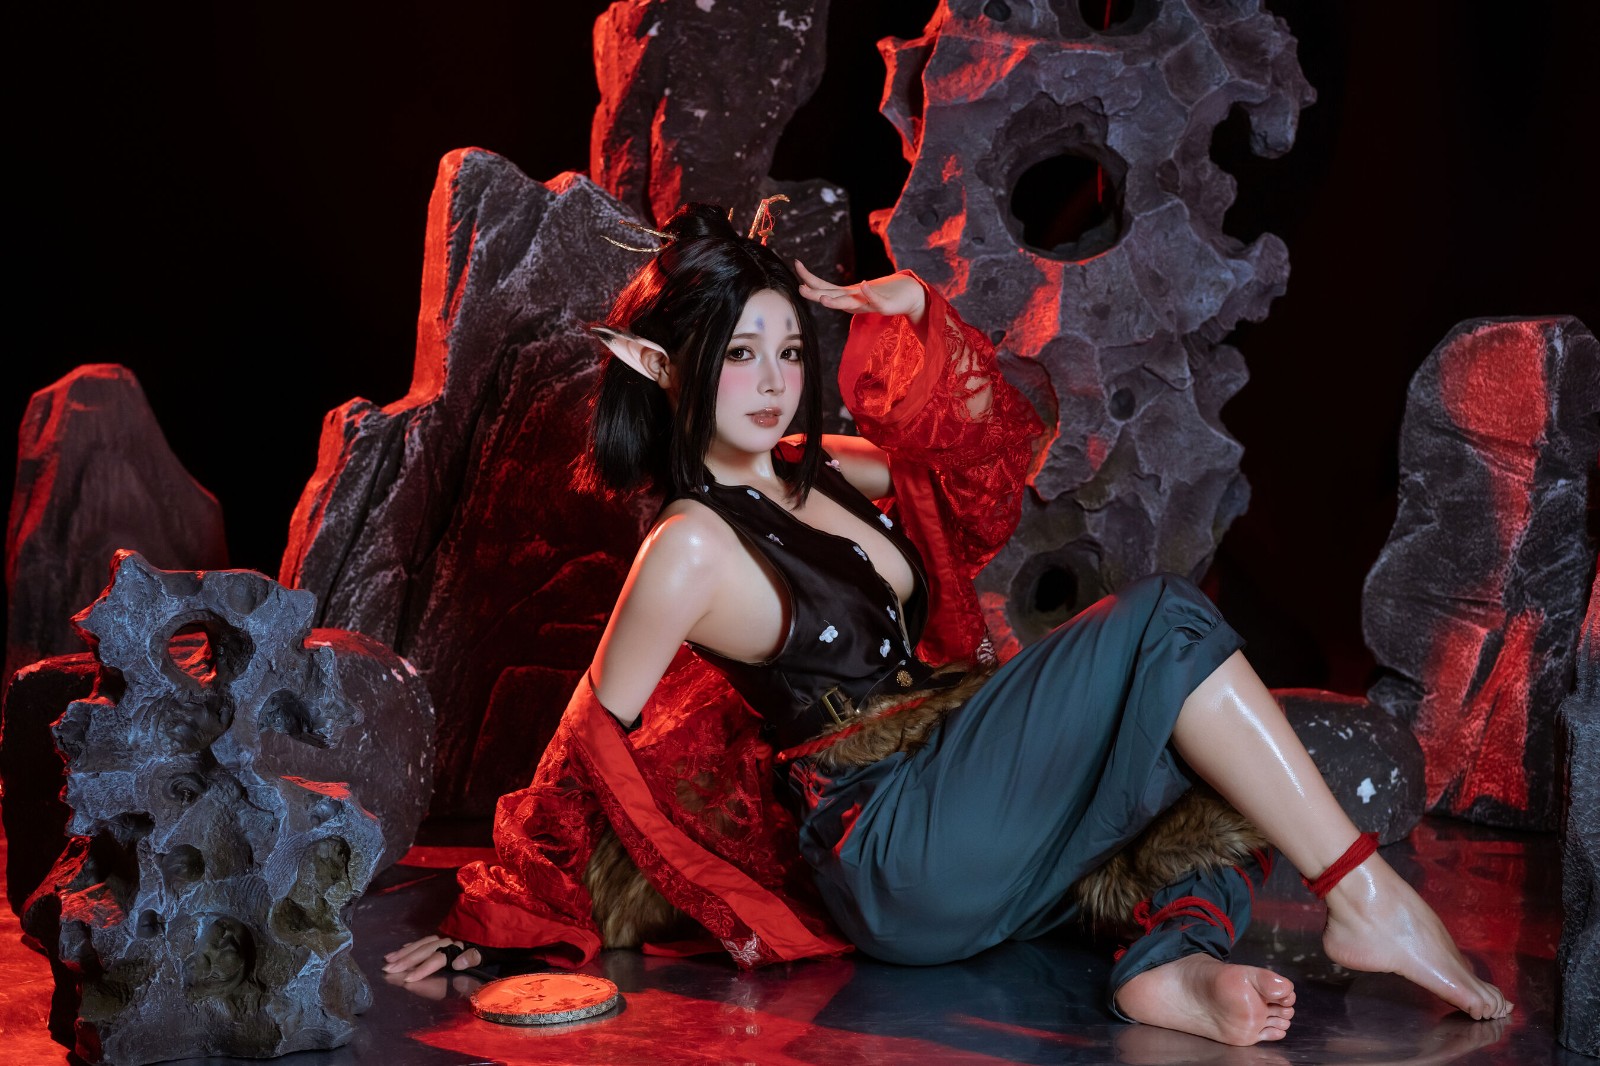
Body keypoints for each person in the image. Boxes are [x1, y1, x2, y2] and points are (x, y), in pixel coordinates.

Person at [386, 202, 1510, 1046]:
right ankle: (1364, 893)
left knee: (1194, 741)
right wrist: (502, 907)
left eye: (787, 349)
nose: (774, 381)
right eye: (737, 354)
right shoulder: (687, 544)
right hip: (895, 849)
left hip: (959, 795)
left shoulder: (816, 469)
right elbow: (591, 732)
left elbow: (986, 463)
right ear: (657, 365)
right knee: (1168, 622)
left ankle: (1169, 966)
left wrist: (917, 316)